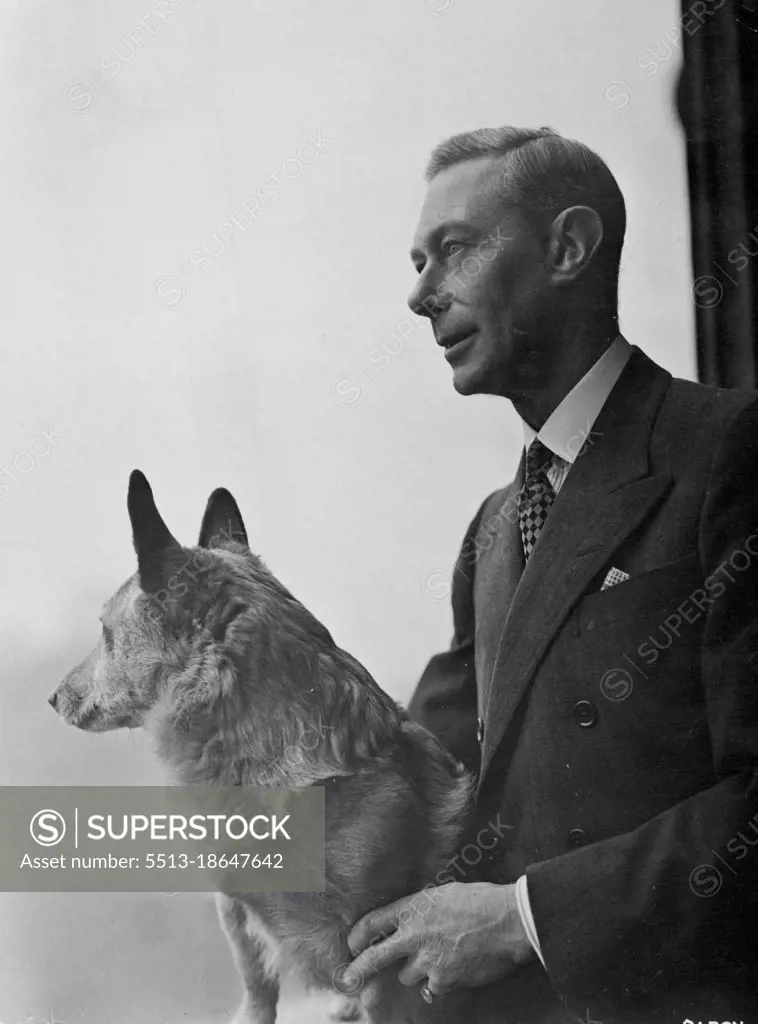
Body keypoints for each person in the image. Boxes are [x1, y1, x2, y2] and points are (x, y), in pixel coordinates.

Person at [341, 126, 758, 1023]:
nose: (419, 296)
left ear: (568, 247)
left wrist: (529, 920)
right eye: (417, 262)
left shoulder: (730, 450)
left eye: (451, 250)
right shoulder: (492, 532)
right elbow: (421, 783)